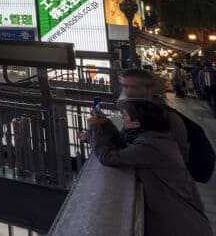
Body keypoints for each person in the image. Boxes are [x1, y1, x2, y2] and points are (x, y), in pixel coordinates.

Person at [89, 99, 211, 235]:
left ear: (136, 123)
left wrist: (96, 129)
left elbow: (108, 157)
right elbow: (123, 146)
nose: (122, 119)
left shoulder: (149, 147)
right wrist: (104, 124)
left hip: (182, 225)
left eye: (124, 116)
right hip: (184, 220)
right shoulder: (154, 138)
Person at [118, 67, 189, 163]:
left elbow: (178, 154)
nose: (128, 92)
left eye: (134, 87)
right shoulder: (135, 111)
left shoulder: (167, 117)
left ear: (150, 89)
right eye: (125, 86)